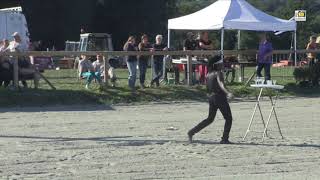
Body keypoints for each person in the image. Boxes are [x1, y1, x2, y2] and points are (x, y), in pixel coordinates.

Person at [188, 56, 233, 144]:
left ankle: (191, 132)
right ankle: (225, 138)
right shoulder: (218, 73)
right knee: (228, 118)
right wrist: (228, 93)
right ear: (217, 65)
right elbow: (221, 84)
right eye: (221, 63)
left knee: (210, 119)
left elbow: (208, 87)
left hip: (211, 98)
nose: (222, 65)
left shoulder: (208, 74)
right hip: (220, 98)